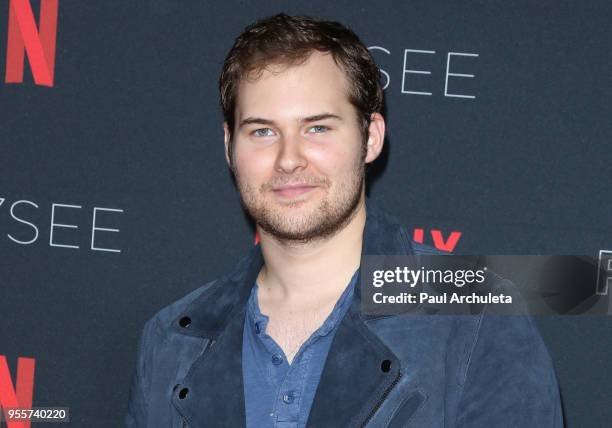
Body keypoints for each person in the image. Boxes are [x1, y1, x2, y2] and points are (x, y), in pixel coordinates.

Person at [126, 13, 563, 427]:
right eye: (262, 131)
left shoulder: (472, 313)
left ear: (370, 138)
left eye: (317, 128)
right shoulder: (171, 341)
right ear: (229, 146)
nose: (289, 159)